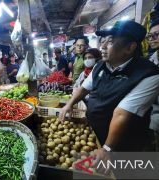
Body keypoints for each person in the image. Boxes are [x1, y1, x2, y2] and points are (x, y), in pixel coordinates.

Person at [60, 20, 159, 156]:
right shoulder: (100, 65)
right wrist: (69, 104)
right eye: (103, 40)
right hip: (95, 134)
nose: (103, 46)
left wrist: (107, 148)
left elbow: (122, 114)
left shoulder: (148, 74)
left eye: (110, 42)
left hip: (122, 145)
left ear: (130, 48)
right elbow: (84, 88)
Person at [147, 20, 159, 151]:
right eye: (150, 36)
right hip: (149, 124)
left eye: (157, 34)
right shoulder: (149, 62)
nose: (152, 39)